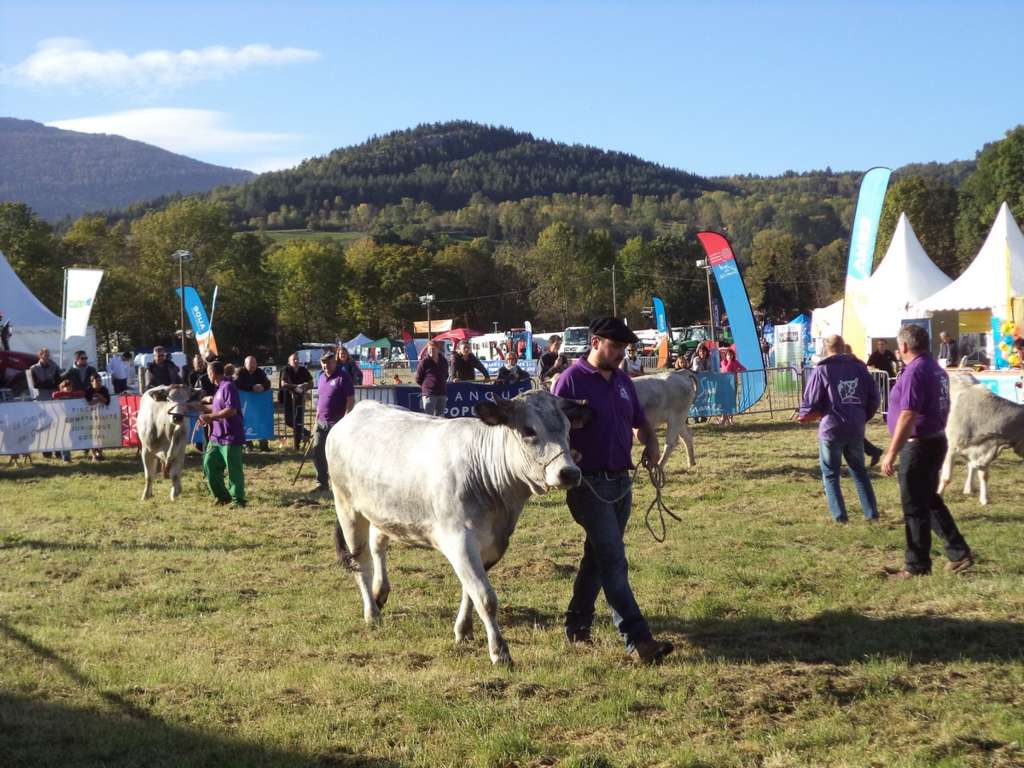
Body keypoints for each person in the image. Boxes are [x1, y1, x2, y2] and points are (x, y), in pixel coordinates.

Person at [551, 316, 674, 665]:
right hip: (588, 483)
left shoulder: (623, 380)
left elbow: (639, 421)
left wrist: (649, 441)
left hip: (621, 481)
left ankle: (577, 624)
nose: (621, 354)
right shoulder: (570, 380)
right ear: (595, 343)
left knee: (598, 559)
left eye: (624, 348)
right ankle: (638, 640)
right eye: (615, 346)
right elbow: (553, 428)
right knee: (614, 560)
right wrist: (566, 452)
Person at [880, 324, 973, 577]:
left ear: (904, 346)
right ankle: (958, 551)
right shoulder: (935, 369)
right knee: (929, 499)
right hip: (935, 439)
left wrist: (891, 452)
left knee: (914, 507)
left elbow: (908, 414)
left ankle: (917, 565)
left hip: (918, 444)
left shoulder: (915, 372)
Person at [798, 334, 881, 524]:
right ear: (843, 347)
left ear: (827, 348)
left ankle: (840, 517)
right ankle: (872, 514)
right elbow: (874, 398)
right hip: (855, 428)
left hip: (831, 429)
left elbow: (811, 400)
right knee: (859, 472)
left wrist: (805, 415)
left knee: (830, 474)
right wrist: (862, 416)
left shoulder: (823, 370)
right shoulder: (860, 367)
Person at [198, 360, 246, 507]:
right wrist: (199, 407)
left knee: (234, 471)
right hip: (216, 437)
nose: (207, 375)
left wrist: (210, 417)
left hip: (231, 436)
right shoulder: (219, 389)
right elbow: (218, 406)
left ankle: (238, 500)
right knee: (209, 465)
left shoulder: (229, 386)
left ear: (212, 373)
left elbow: (231, 410)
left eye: (208, 372)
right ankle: (222, 497)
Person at [310, 352, 355, 494]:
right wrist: (316, 417)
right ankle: (321, 482)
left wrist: (346, 418)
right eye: (323, 363)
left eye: (329, 363)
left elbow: (350, 398)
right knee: (318, 452)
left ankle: (343, 485)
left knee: (337, 455)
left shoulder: (343, 377)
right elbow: (321, 398)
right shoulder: (321, 377)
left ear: (335, 363)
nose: (326, 366)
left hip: (337, 422)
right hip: (321, 421)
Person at [236, 356, 271, 451]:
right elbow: (237, 384)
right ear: (245, 364)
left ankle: (264, 445)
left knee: (261, 423)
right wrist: (252, 388)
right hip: (245, 404)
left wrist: (262, 386)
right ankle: (248, 445)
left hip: (258, 405)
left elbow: (268, 383)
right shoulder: (240, 372)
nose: (253, 365)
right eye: (250, 363)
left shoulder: (260, 372)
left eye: (254, 363)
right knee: (246, 424)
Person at [279, 353, 313, 451]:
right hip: (288, 399)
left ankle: (296, 446)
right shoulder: (286, 370)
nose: (296, 361)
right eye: (294, 359)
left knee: (298, 422)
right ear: (289, 361)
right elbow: (283, 383)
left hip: (300, 399)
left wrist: (305, 386)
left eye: (297, 359)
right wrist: (296, 387)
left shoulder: (303, 370)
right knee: (289, 421)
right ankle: (305, 432)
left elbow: (311, 382)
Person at [51, 378, 83, 463]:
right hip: (63, 420)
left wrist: (71, 393)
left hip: (73, 419)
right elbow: (54, 395)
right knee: (64, 438)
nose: (68, 388)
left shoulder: (73, 395)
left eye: (70, 387)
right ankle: (66, 458)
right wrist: (64, 393)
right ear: (62, 388)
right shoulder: (60, 395)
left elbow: (82, 393)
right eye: (66, 387)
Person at [415, 340, 449, 416]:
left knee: (441, 418)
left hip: (441, 393)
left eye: (433, 349)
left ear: (438, 349)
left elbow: (446, 375)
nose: (431, 351)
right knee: (428, 418)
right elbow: (418, 378)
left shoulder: (444, 361)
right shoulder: (424, 362)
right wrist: (427, 387)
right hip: (429, 394)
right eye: (429, 349)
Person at [718, 348, 747, 427]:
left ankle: (730, 418)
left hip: (734, 384)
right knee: (725, 401)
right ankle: (723, 418)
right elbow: (726, 370)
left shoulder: (736, 362)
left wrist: (738, 370)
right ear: (726, 356)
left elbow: (744, 368)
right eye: (728, 355)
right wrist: (730, 362)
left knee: (732, 401)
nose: (730, 356)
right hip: (725, 385)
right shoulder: (723, 362)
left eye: (731, 355)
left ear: (733, 355)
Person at [86, 372, 110, 461]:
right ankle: (93, 455)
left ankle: (100, 453)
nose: (98, 382)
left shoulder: (104, 389)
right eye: (96, 381)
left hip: (102, 416)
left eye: (100, 381)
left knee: (101, 434)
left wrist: (98, 396)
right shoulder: (88, 390)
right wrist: (100, 400)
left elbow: (107, 402)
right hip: (90, 417)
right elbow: (89, 403)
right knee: (92, 436)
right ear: (92, 382)